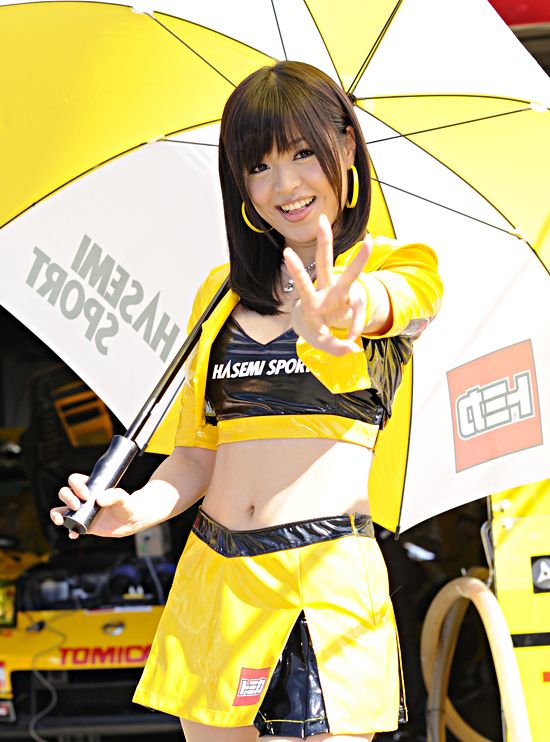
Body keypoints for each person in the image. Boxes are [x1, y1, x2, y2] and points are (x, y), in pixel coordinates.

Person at [51, 61, 443, 741]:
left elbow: (395, 304)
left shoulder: (397, 267)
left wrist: (344, 309)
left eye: (303, 153)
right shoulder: (219, 295)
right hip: (216, 582)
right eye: (259, 165)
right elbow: (198, 456)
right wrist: (133, 510)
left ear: (347, 147)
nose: (285, 184)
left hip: (323, 586)